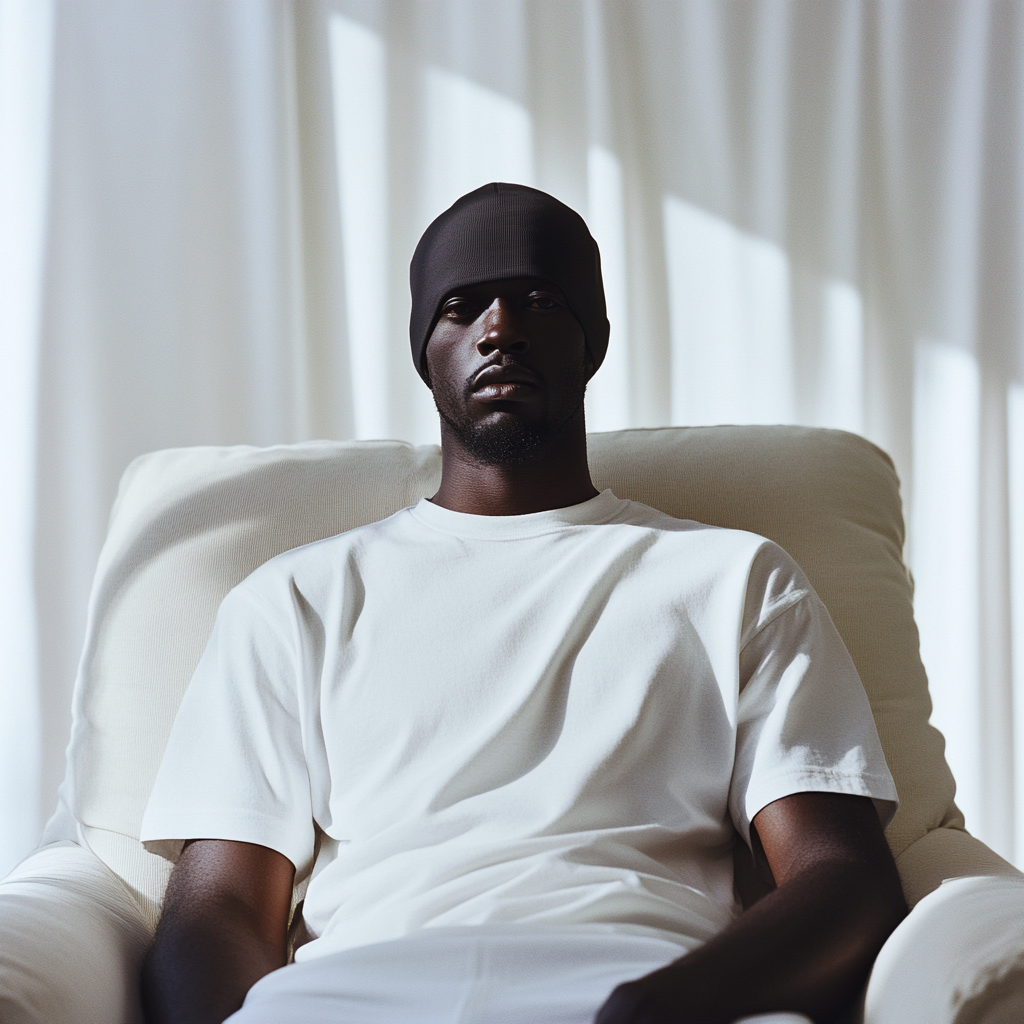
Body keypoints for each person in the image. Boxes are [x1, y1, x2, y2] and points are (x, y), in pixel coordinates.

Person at [139, 183, 906, 1024]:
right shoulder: (294, 601)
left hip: (650, 990)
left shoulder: (733, 580)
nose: (499, 330)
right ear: (424, 349)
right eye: (462, 308)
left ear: (593, 342)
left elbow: (843, 878)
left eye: (539, 301)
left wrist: (661, 1008)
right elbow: (217, 909)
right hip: (356, 997)